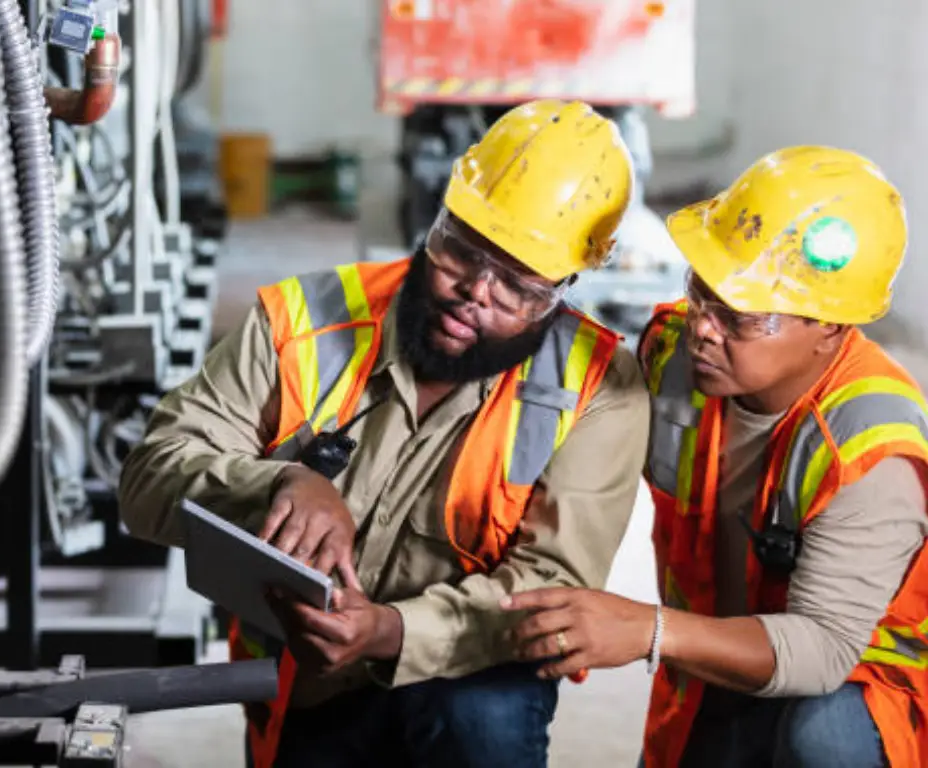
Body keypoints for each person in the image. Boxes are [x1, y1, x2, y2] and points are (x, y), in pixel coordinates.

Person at [118, 99, 651, 768]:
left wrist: (391, 631)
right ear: (438, 217)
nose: (474, 293)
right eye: (461, 249)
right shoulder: (304, 322)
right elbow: (147, 480)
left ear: (563, 289)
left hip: (466, 673)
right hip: (303, 671)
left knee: (481, 720)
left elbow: (550, 588)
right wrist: (281, 482)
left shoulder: (599, 391)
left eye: (516, 286)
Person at [502, 145, 928, 767]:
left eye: (739, 317)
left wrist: (648, 629)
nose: (704, 326)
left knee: (824, 741)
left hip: (850, 685)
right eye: (702, 294)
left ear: (830, 328)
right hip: (717, 663)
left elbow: (823, 646)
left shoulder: (870, 446)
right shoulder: (673, 359)